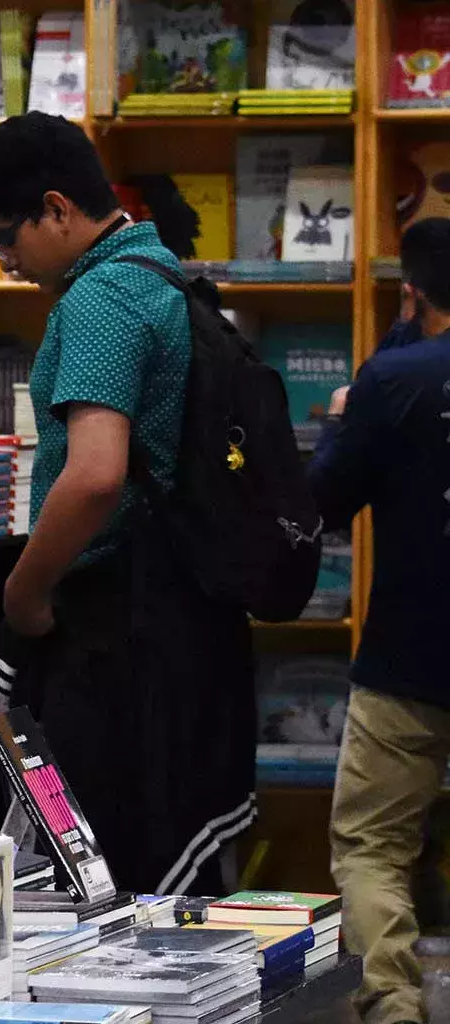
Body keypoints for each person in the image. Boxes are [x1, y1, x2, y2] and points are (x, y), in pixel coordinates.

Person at [0, 112, 253, 896]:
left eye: (7, 236)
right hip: (180, 622)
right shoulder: (163, 275)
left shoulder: (102, 300)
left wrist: (24, 588)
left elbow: (93, 476)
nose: (5, 259)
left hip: (117, 635)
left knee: (102, 875)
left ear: (58, 209)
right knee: (167, 883)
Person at [317, 218, 450, 1024]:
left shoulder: (393, 378)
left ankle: (394, 1011)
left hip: (407, 654)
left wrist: (345, 413)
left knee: (373, 848)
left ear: (414, 292)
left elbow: (323, 503)